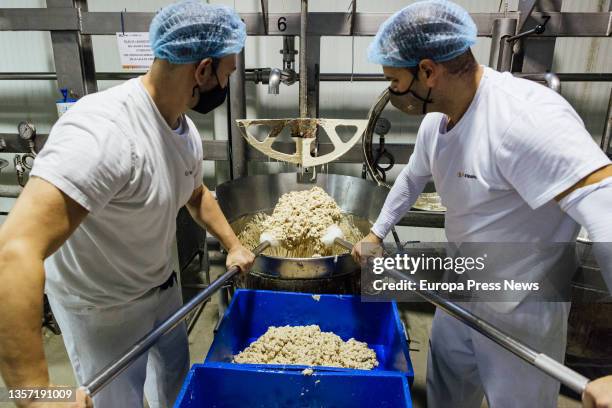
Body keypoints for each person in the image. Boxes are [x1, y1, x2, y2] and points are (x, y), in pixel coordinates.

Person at [353, 1, 612, 407]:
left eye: (394, 81)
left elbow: (607, 215)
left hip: (522, 309)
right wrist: (376, 232)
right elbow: (412, 178)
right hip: (461, 288)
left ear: (427, 71)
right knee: (446, 395)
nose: (392, 94)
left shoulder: (524, 119)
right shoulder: (435, 123)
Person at [0, 1, 254, 407]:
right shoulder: (104, 133)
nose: (226, 84)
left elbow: (196, 195)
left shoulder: (182, 128)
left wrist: (233, 244)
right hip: (104, 314)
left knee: (175, 390)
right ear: (203, 70)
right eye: (227, 74)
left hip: (161, 291)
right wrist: (35, 395)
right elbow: (13, 252)